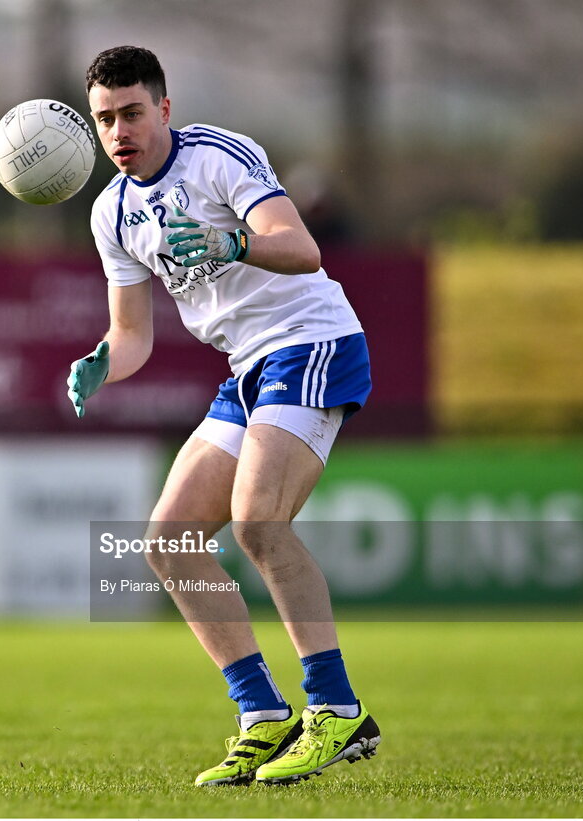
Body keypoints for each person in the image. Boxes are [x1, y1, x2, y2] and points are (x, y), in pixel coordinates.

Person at [66, 45, 381, 787]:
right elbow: (135, 332)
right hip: (248, 370)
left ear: (164, 110)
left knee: (259, 525)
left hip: (311, 340)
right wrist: (104, 359)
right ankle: (263, 716)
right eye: (105, 118)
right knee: (168, 541)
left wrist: (233, 239)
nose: (119, 131)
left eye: (133, 113)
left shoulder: (218, 157)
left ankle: (335, 710)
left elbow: (302, 250)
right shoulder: (111, 212)